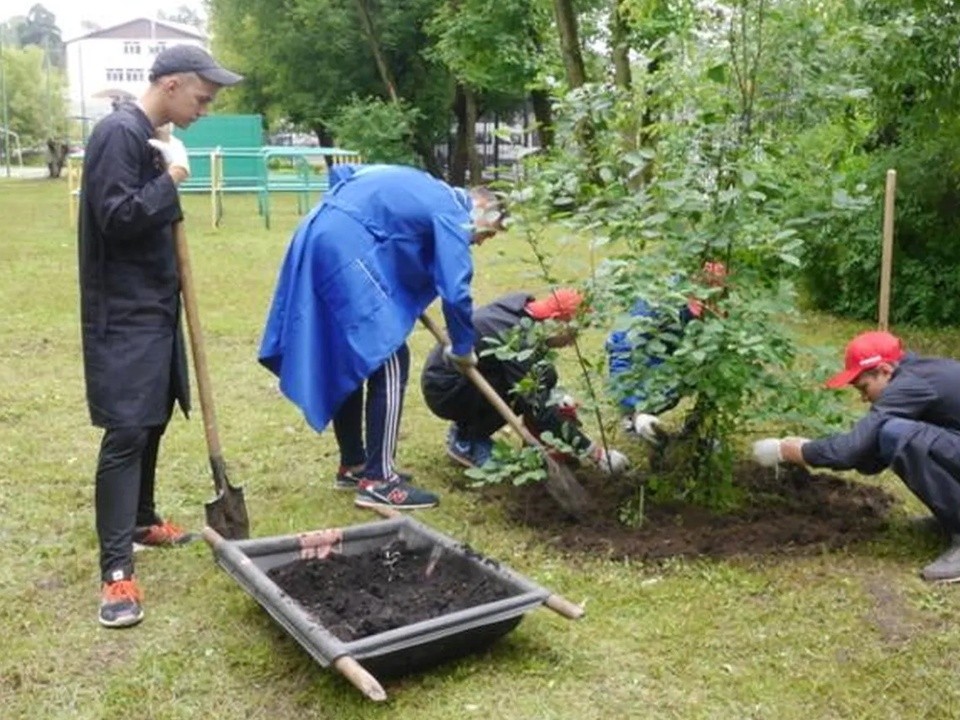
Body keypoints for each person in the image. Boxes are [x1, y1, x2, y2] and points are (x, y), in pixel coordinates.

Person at [77, 44, 242, 629]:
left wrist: (165, 172)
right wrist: (172, 175)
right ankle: (117, 575)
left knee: (154, 416)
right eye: (202, 96)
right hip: (122, 313)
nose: (206, 108)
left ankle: (143, 519)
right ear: (170, 84)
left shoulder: (146, 135)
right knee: (127, 429)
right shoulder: (118, 134)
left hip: (153, 307)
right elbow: (117, 218)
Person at [258, 164, 507, 511]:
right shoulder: (455, 209)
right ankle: (379, 480)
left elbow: (344, 174)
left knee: (352, 355)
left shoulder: (427, 186)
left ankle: (354, 464)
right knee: (388, 355)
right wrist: (463, 348)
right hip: (342, 246)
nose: (482, 241)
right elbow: (455, 290)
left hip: (318, 234)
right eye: (489, 232)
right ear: (481, 207)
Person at [752, 330, 960, 582]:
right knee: (892, 434)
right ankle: (949, 520)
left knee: (897, 434)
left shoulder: (910, 384)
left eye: (864, 387)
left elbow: (851, 450)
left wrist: (794, 450)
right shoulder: (916, 375)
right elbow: (868, 454)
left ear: (884, 370)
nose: (863, 398)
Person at [421, 289, 629, 475]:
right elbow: (539, 407)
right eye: (572, 333)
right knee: (527, 391)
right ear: (556, 321)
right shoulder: (517, 338)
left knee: (544, 375)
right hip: (445, 389)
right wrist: (597, 453)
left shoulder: (522, 311)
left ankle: (534, 442)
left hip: (466, 376)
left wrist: (557, 399)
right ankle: (467, 440)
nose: (571, 342)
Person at [606, 261, 727, 443]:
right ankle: (635, 419)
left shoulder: (712, 302)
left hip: (677, 357)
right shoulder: (660, 303)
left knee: (718, 366)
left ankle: (699, 429)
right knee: (669, 385)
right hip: (650, 363)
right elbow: (622, 349)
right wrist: (632, 402)